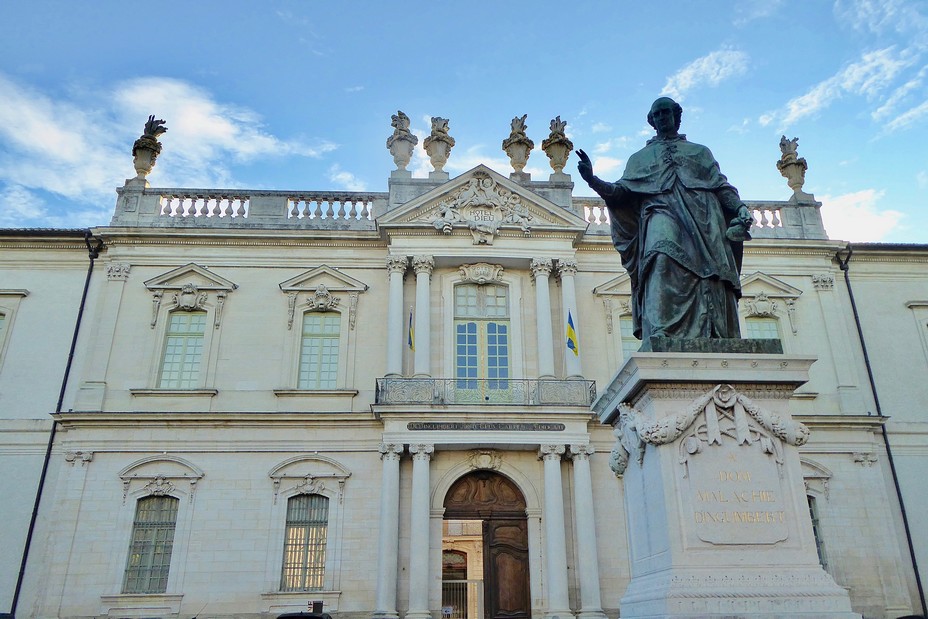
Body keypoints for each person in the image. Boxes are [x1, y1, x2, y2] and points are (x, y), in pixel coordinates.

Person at [577, 97, 754, 349]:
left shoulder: (699, 152)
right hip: (661, 211)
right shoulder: (640, 158)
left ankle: (712, 330)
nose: (661, 118)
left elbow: (720, 185)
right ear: (651, 121)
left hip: (704, 218)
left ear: (676, 115)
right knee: (660, 256)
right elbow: (620, 192)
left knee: (710, 276)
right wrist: (592, 180)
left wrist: (739, 207)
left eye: (665, 112)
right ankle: (661, 330)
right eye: (656, 114)